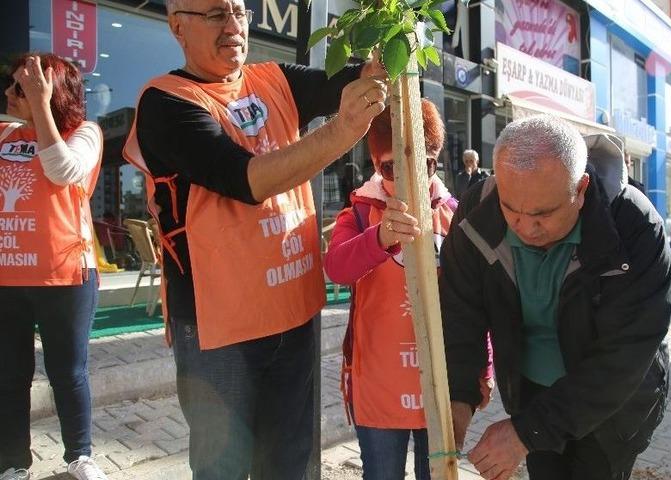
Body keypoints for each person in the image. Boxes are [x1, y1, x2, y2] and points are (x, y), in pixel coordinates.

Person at [122, 1, 387, 478]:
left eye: (240, 12)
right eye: (216, 15)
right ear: (178, 25)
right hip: (218, 327)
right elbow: (247, 180)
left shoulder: (273, 78)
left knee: (290, 462)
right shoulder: (164, 101)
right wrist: (345, 129)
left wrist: (383, 58)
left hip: (294, 311)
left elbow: (345, 80)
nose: (233, 27)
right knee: (223, 466)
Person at [439, 115, 671, 480]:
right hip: (531, 395)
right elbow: (459, 314)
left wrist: (525, 433)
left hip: (611, 409)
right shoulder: (476, 214)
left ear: (581, 189)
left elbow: (624, 354)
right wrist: (458, 396)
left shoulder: (636, 228)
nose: (526, 227)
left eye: (544, 214)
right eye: (511, 208)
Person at [324, 99, 492, 479]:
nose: (407, 175)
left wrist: (485, 364)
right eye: (390, 166)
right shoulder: (361, 212)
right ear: (374, 164)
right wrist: (379, 238)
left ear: (435, 161)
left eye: (423, 162)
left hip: (439, 380)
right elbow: (335, 267)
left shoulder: (454, 213)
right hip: (379, 383)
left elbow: (476, 300)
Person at [0, 54, 108, 480]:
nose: (8, 93)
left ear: (47, 93)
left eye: (19, 88)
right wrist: (32, 103)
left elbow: (64, 171)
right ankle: (12, 462)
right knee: (9, 377)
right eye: (10, 86)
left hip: (66, 276)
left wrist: (41, 106)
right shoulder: (5, 131)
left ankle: (79, 456)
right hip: (7, 277)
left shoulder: (85, 133)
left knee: (68, 373)